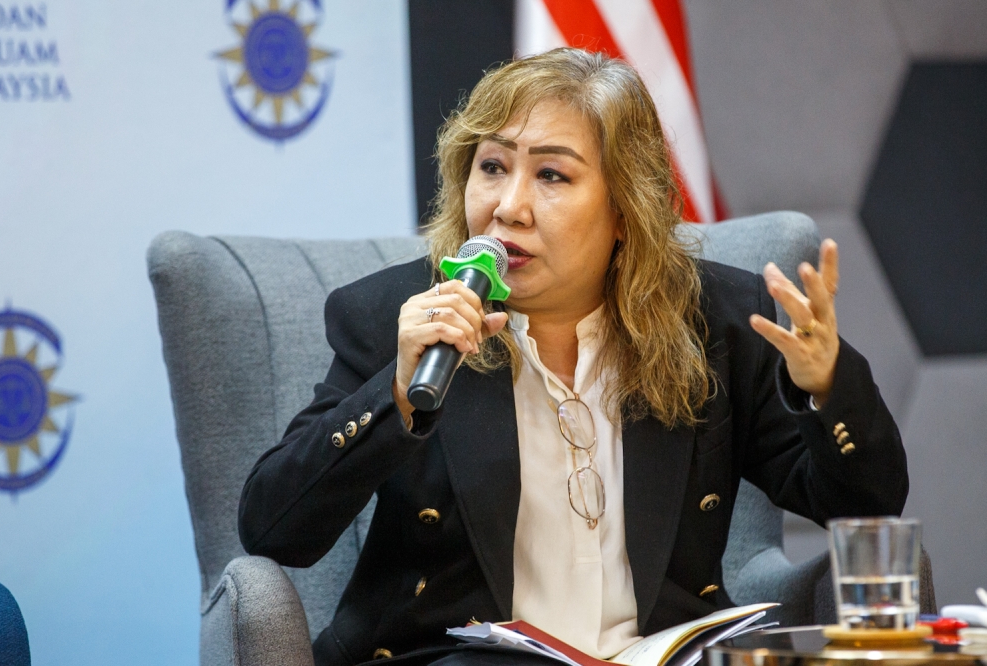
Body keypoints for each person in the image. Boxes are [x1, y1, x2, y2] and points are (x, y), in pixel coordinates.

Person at [238, 48, 907, 666]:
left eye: (552, 175)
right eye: (492, 167)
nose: (509, 207)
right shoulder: (397, 317)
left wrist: (827, 386)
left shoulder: (714, 324)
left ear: (625, 209)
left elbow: (863, 506)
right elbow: (274, 530)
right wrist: (395, 393)